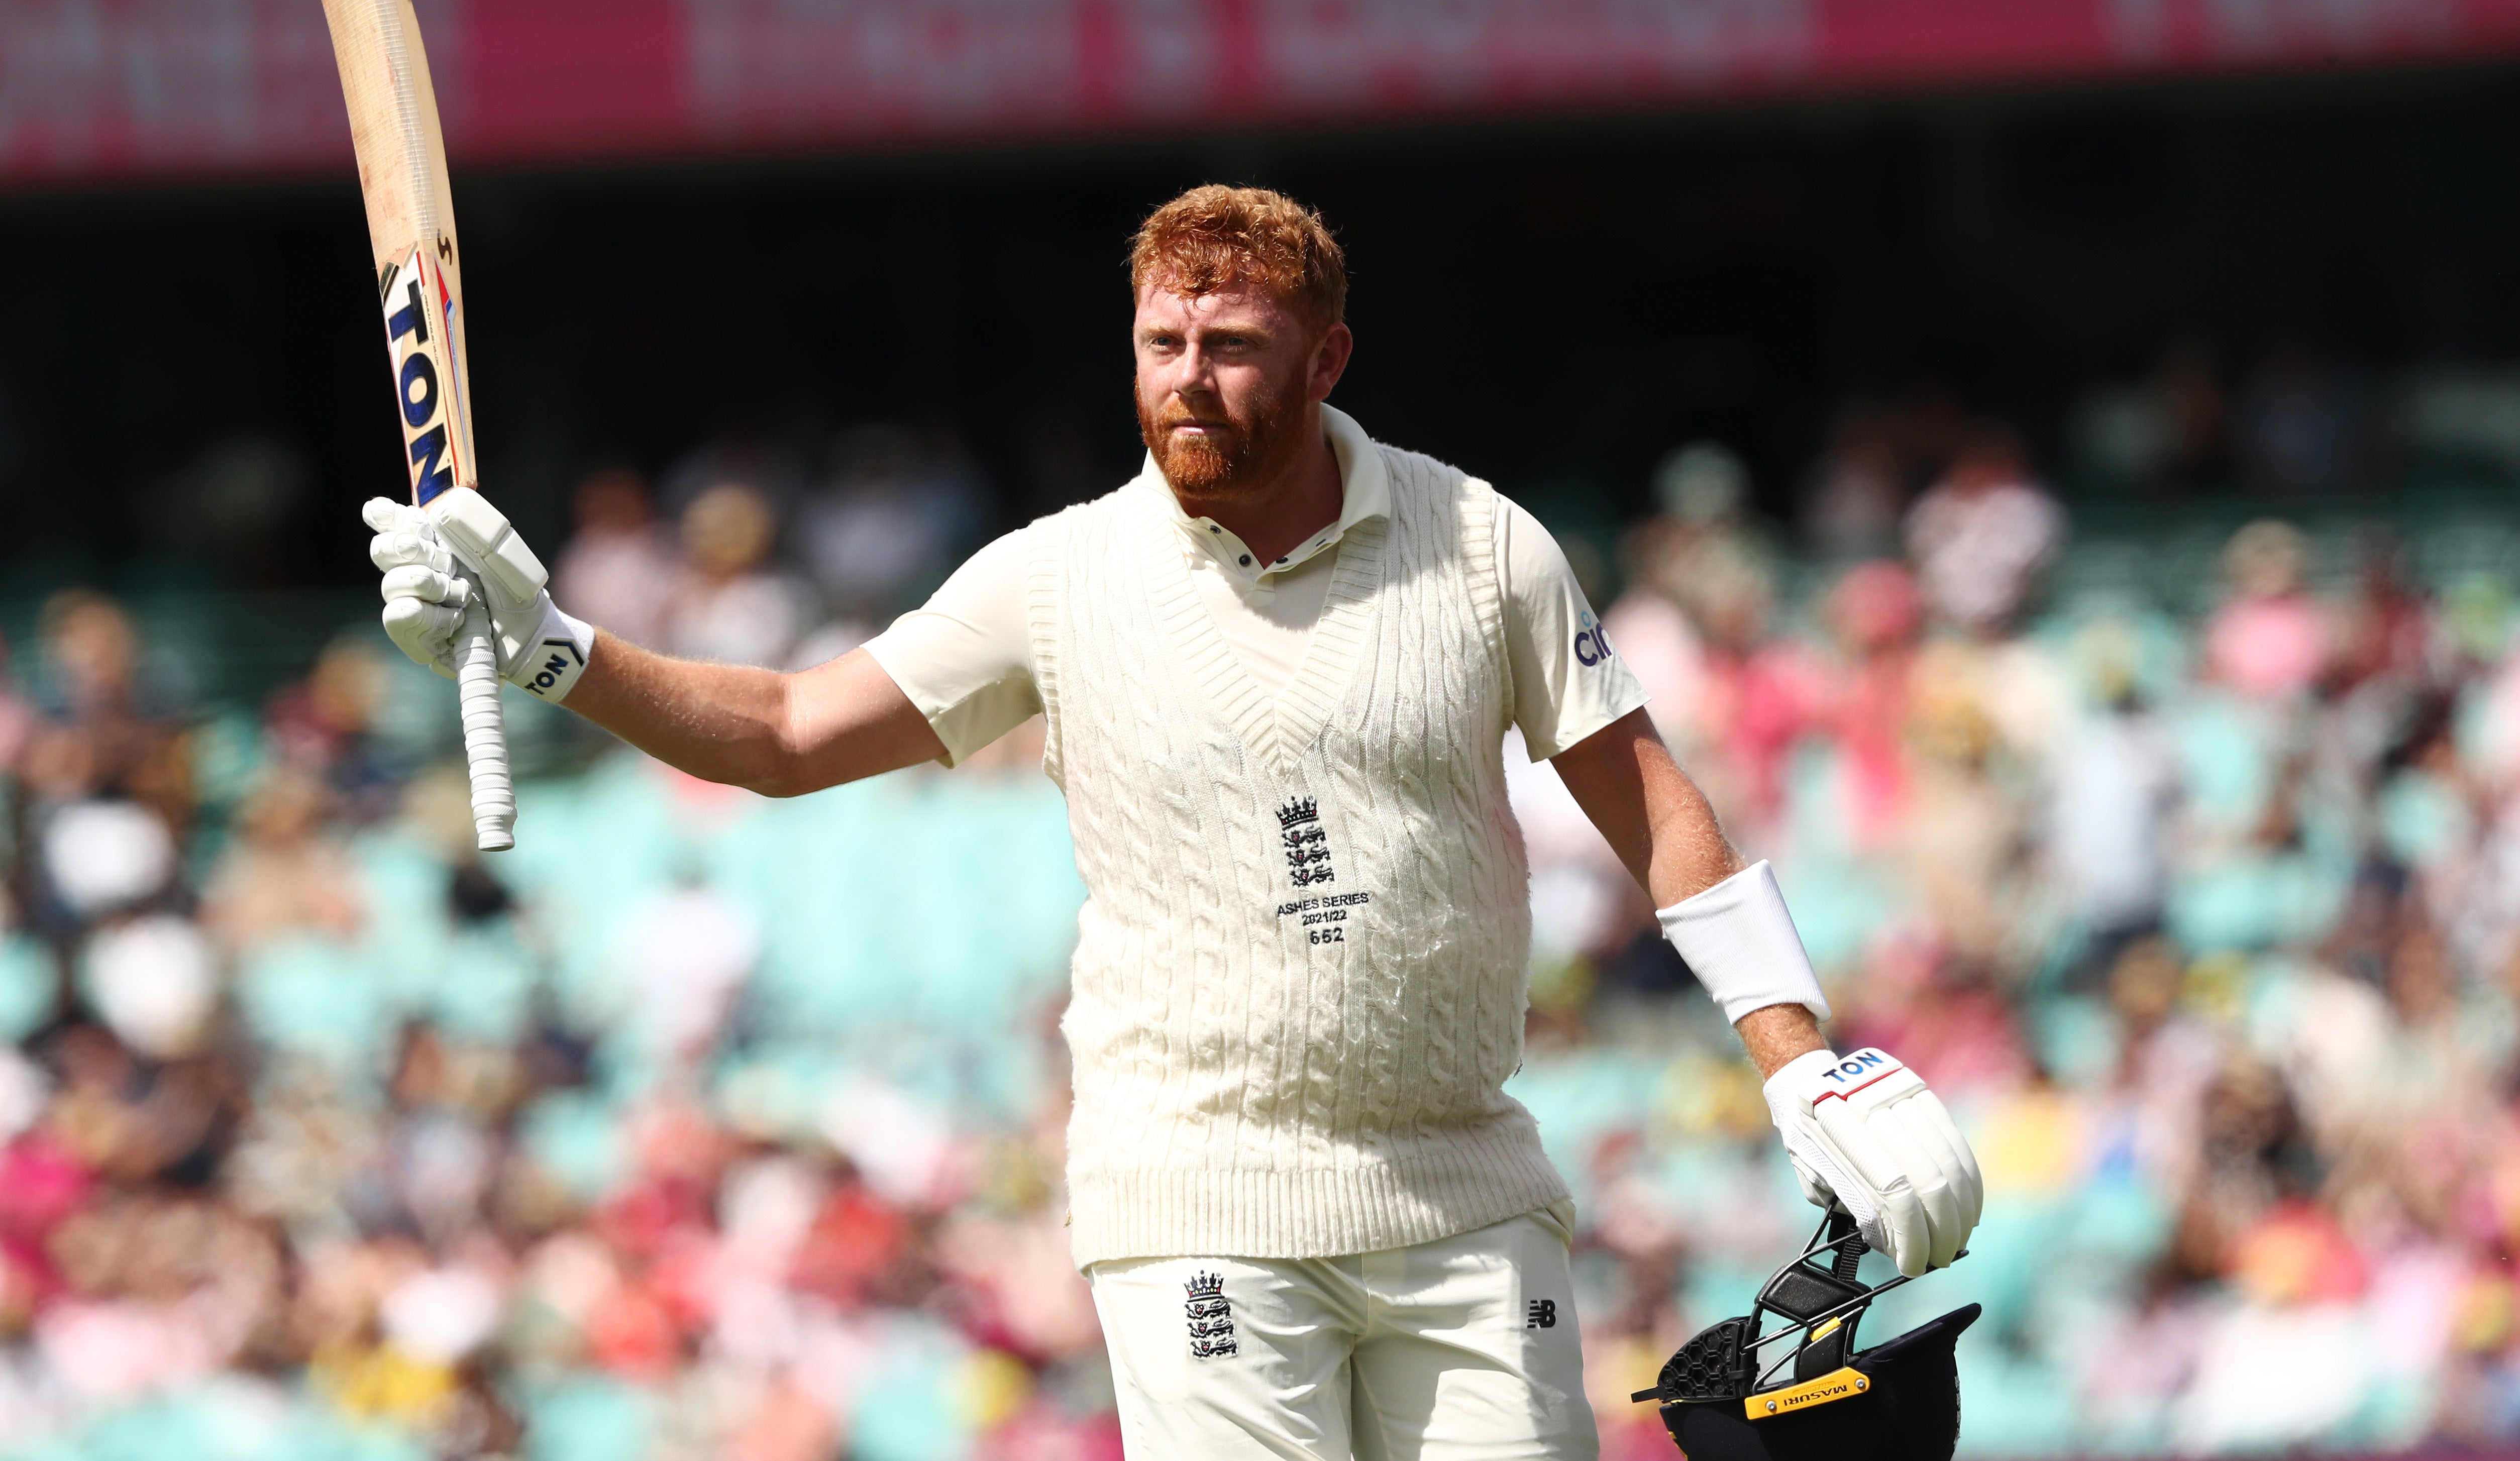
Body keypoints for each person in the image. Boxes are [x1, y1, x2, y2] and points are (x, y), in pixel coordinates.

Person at [361, 186, 1983, 1459]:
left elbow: (1647, 796)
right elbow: (788, 734)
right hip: (1198, 1192)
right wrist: (556, 649)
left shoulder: (1481, 544)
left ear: (1327, 358)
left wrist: (1802, 1055)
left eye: (1231, 346)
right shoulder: (1055, 579)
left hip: (1463, 1180)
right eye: (1160, 344)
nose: (1186, 381)